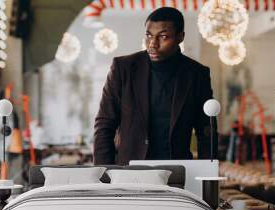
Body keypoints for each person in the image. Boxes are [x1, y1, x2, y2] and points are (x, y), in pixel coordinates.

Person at [93, 7, 218, 165]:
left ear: (180, 37)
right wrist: (103, 174)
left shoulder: (197, 74)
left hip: (178, 171)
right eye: (148, 35)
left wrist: (206, 176)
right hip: (130, 171)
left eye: (163, 36)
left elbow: (207, 132)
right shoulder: (123, 68)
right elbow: (105, 124)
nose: (152, 44)